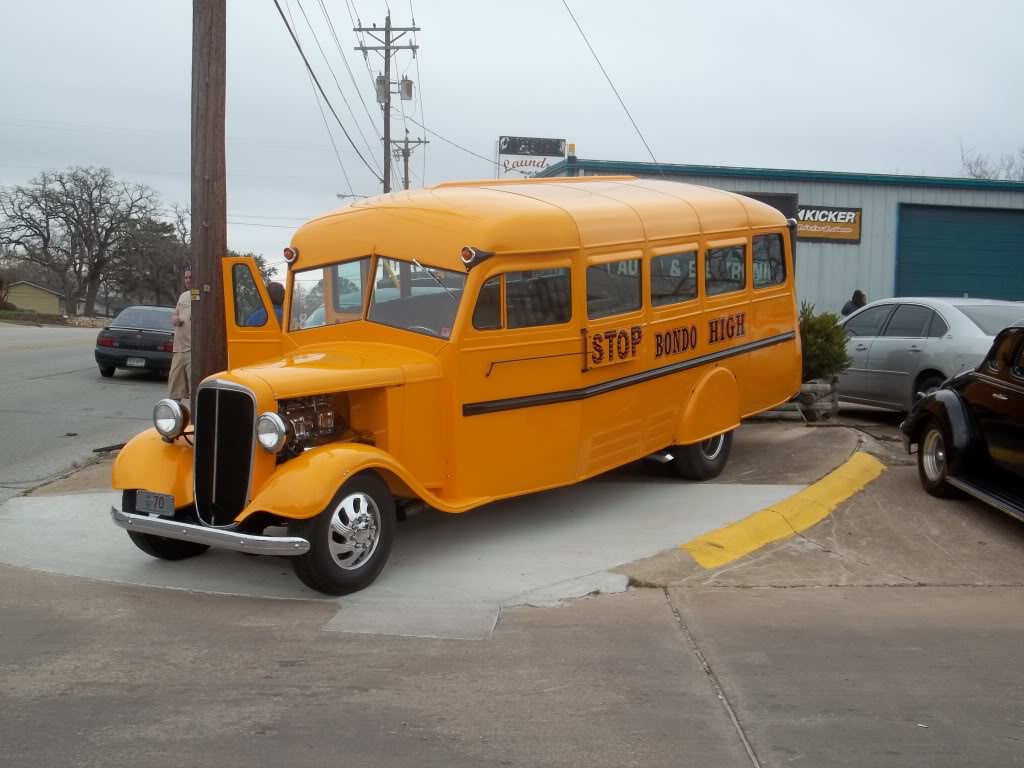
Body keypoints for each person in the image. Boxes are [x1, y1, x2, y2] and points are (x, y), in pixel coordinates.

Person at [168, 269, 192, 402]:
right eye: (186, 277)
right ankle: (175, 419)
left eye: (191, 277)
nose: (188, 280)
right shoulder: (183, 296)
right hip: (178, 349)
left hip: (192, 350)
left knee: (195, 391)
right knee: (174, 389)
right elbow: (175, 314)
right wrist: (174, 318)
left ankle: (195, 420)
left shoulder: (204, 296)